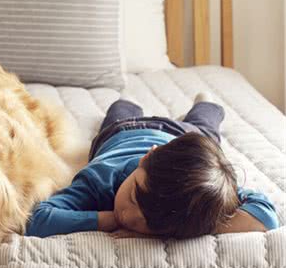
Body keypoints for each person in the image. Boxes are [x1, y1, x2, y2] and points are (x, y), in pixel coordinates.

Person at [26, 93, 279, 239]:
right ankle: (130, 100)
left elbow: (268, 216)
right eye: (134, 196)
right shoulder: (100, 179)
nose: (128, 216)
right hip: (125, 131)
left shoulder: (197, 196)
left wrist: (195, 220)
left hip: (182, 140)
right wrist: (107, 220)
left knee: (206, 135)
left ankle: (206, 105)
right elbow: (36, 218)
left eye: (148, 222)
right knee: (121, 109)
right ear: (147, 158)